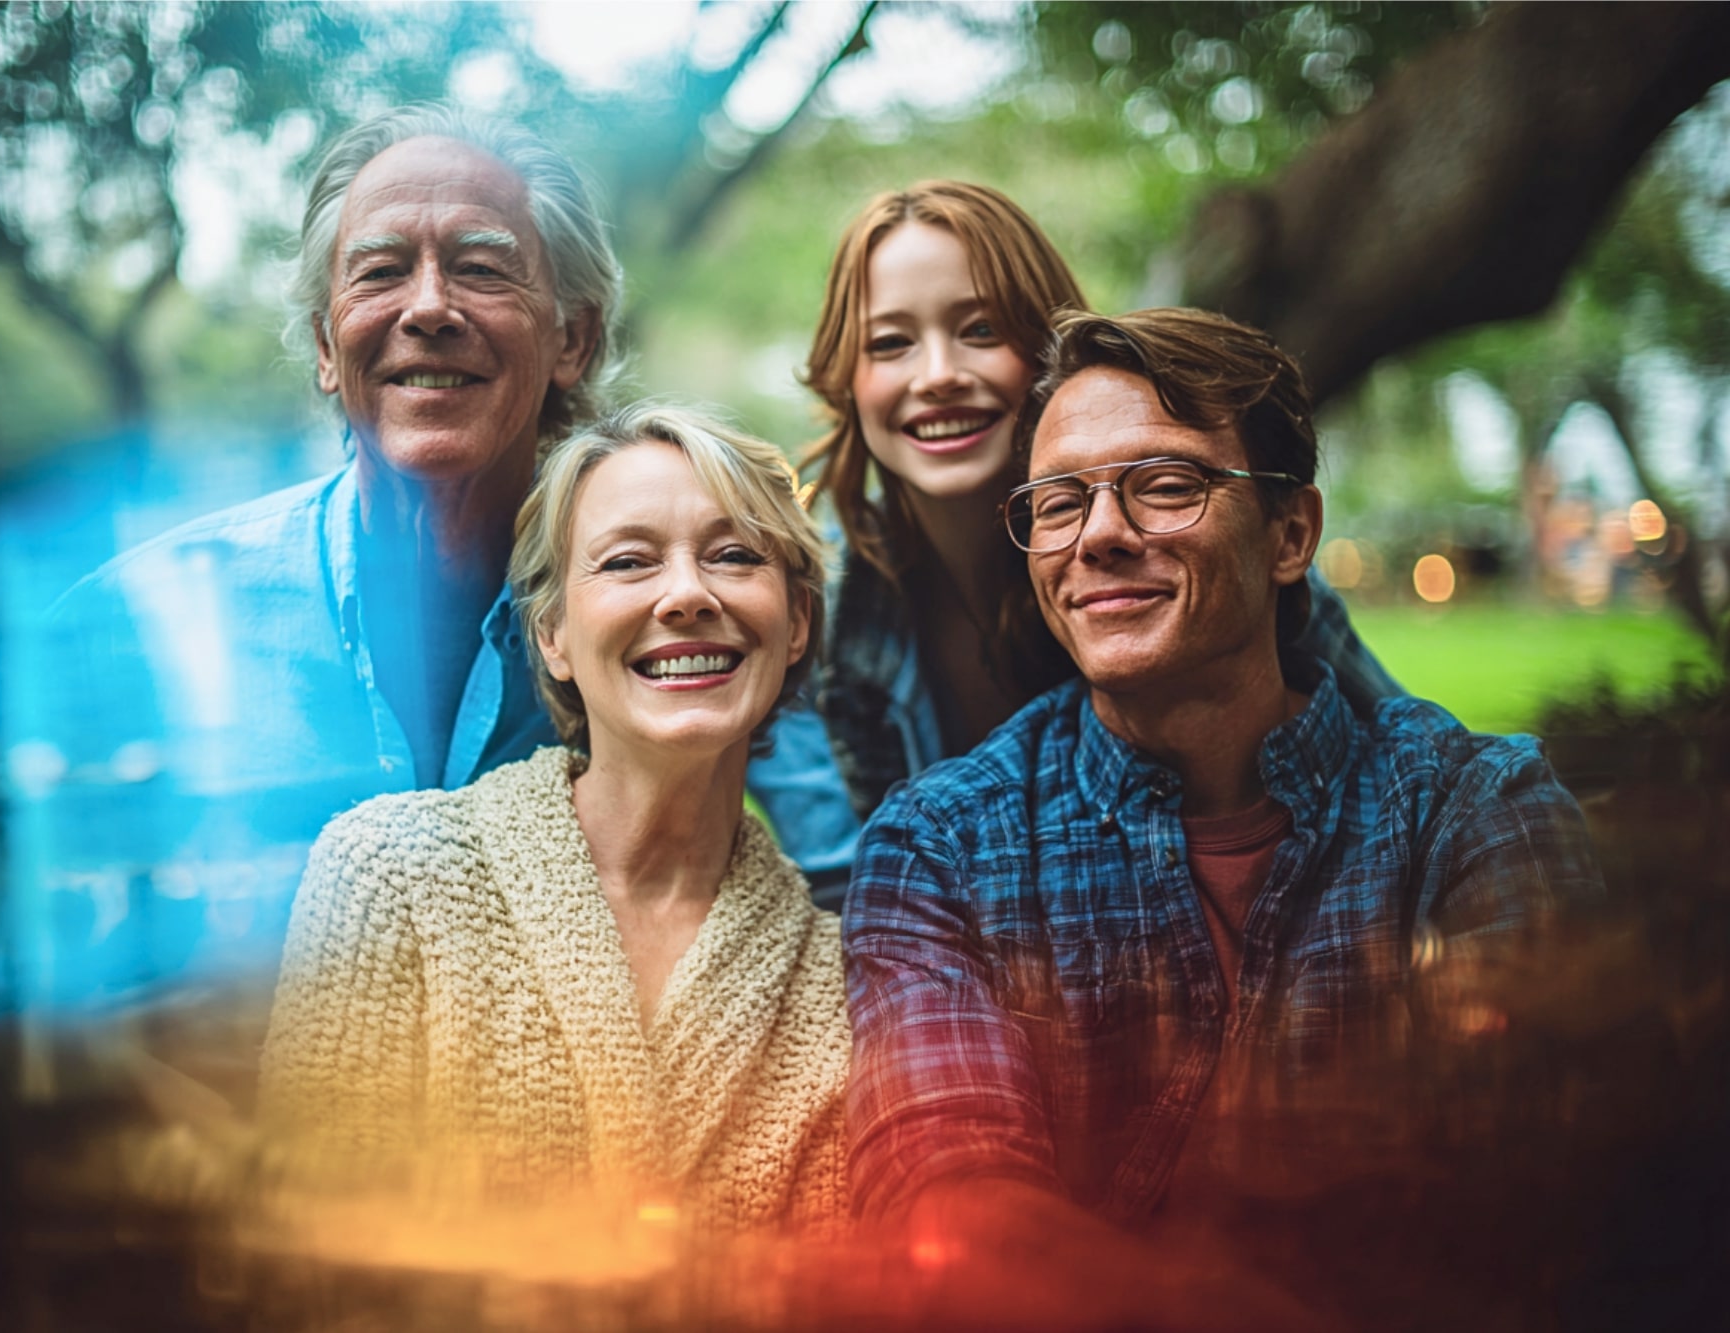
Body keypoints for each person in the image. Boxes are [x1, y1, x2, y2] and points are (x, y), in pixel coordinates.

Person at [31, 106, 857, 1012]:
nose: (427, 308)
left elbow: (836, 900)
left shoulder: (668, 620)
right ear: (322, 343)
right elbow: (57, 991)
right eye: (380, 272)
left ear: (572, 340)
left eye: (481, 268)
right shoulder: (132, 630)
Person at [844, 308, 1602, 1240]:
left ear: (1291, 533)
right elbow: (947, 1194)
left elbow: (1557, 1190)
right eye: (1058, 503)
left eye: (1164, 486)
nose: (1100, 536)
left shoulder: (1474, 812)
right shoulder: (941, 848)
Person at [258, 403, 849, 1232]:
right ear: (552, 635)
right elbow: (304, 1270)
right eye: (628, 561)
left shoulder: (842, 985)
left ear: (797, 624)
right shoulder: (390, 876)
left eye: (734, 555)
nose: (685, 593)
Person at [792, 182, 1401, 824]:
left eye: (981, 329)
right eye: (890, 343)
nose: (939, 373)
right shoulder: (820, 607)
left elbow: (1404, 767)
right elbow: (847, 879)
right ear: (845, 382)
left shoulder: (1211, 554)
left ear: (1050, 351)